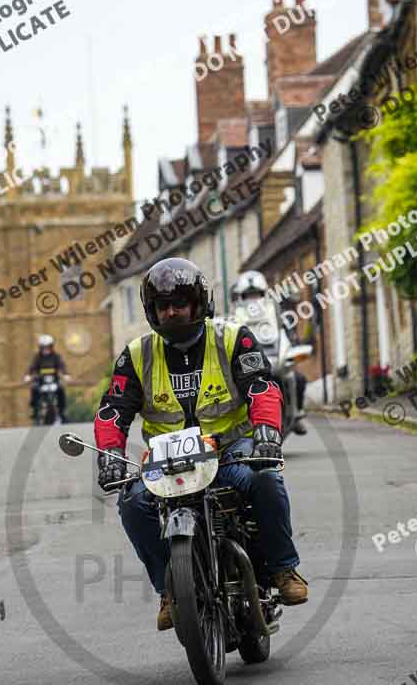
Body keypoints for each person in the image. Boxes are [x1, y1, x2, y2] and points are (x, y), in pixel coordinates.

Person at [94, 258, 307, 631]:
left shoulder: (232, 337)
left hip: (230, 451)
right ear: (152, 312)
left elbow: (262, 386)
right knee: (132, 503)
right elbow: (113, 410)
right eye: (162, 306)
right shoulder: (137, 354)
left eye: (179, 303)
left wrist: (268, 431)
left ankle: (282, 569)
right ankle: (169, 590)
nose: (172, 311)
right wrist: (111, 454)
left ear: (199, 303)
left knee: (267, 480)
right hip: (168, 462)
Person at [231, 271, 308, 436]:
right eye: (249, 295)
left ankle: (296, 414)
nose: (253, 299)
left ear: (264, 294)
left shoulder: (275, 311)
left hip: (273, 355)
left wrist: (292, 340)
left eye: (257, 294)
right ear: (241, 297)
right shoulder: (234, 316)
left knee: (298, 379)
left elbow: (285, 330)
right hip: (248, 360)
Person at [24, 335, 70, 422]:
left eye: (48, 347)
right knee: (34, 388)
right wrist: (28, 375)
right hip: (41, 381)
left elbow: (62, 365)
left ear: (51, 347)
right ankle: (34, 410)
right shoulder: (37, 357)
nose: (46, 350)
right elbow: (32, 367)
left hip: (54, 380)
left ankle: (62, 411)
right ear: (40, 348)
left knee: (61, 389)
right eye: (44, 348)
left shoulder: (56, 357)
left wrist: (66, 374)